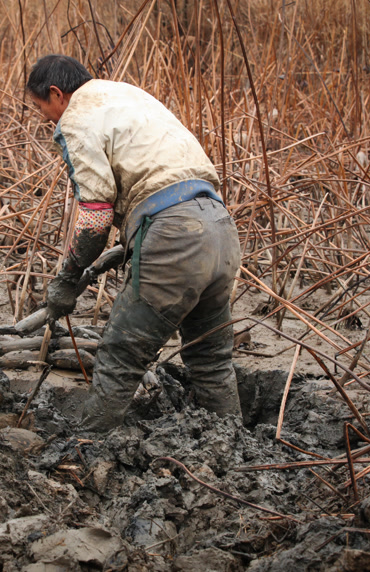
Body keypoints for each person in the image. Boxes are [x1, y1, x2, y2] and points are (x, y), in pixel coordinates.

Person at [26, 55, 243, 432]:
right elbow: (163, 178)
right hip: (220, 227)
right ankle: (235, 446)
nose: (46, 118)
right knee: (211, 357)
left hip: (175, 236)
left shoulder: (77, 115)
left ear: (57, 94)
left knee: (120, 355)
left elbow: (95, 213)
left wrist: (67, 279)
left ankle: (86, 449)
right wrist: (129, 242)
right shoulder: (127, 95)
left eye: (41, 107)